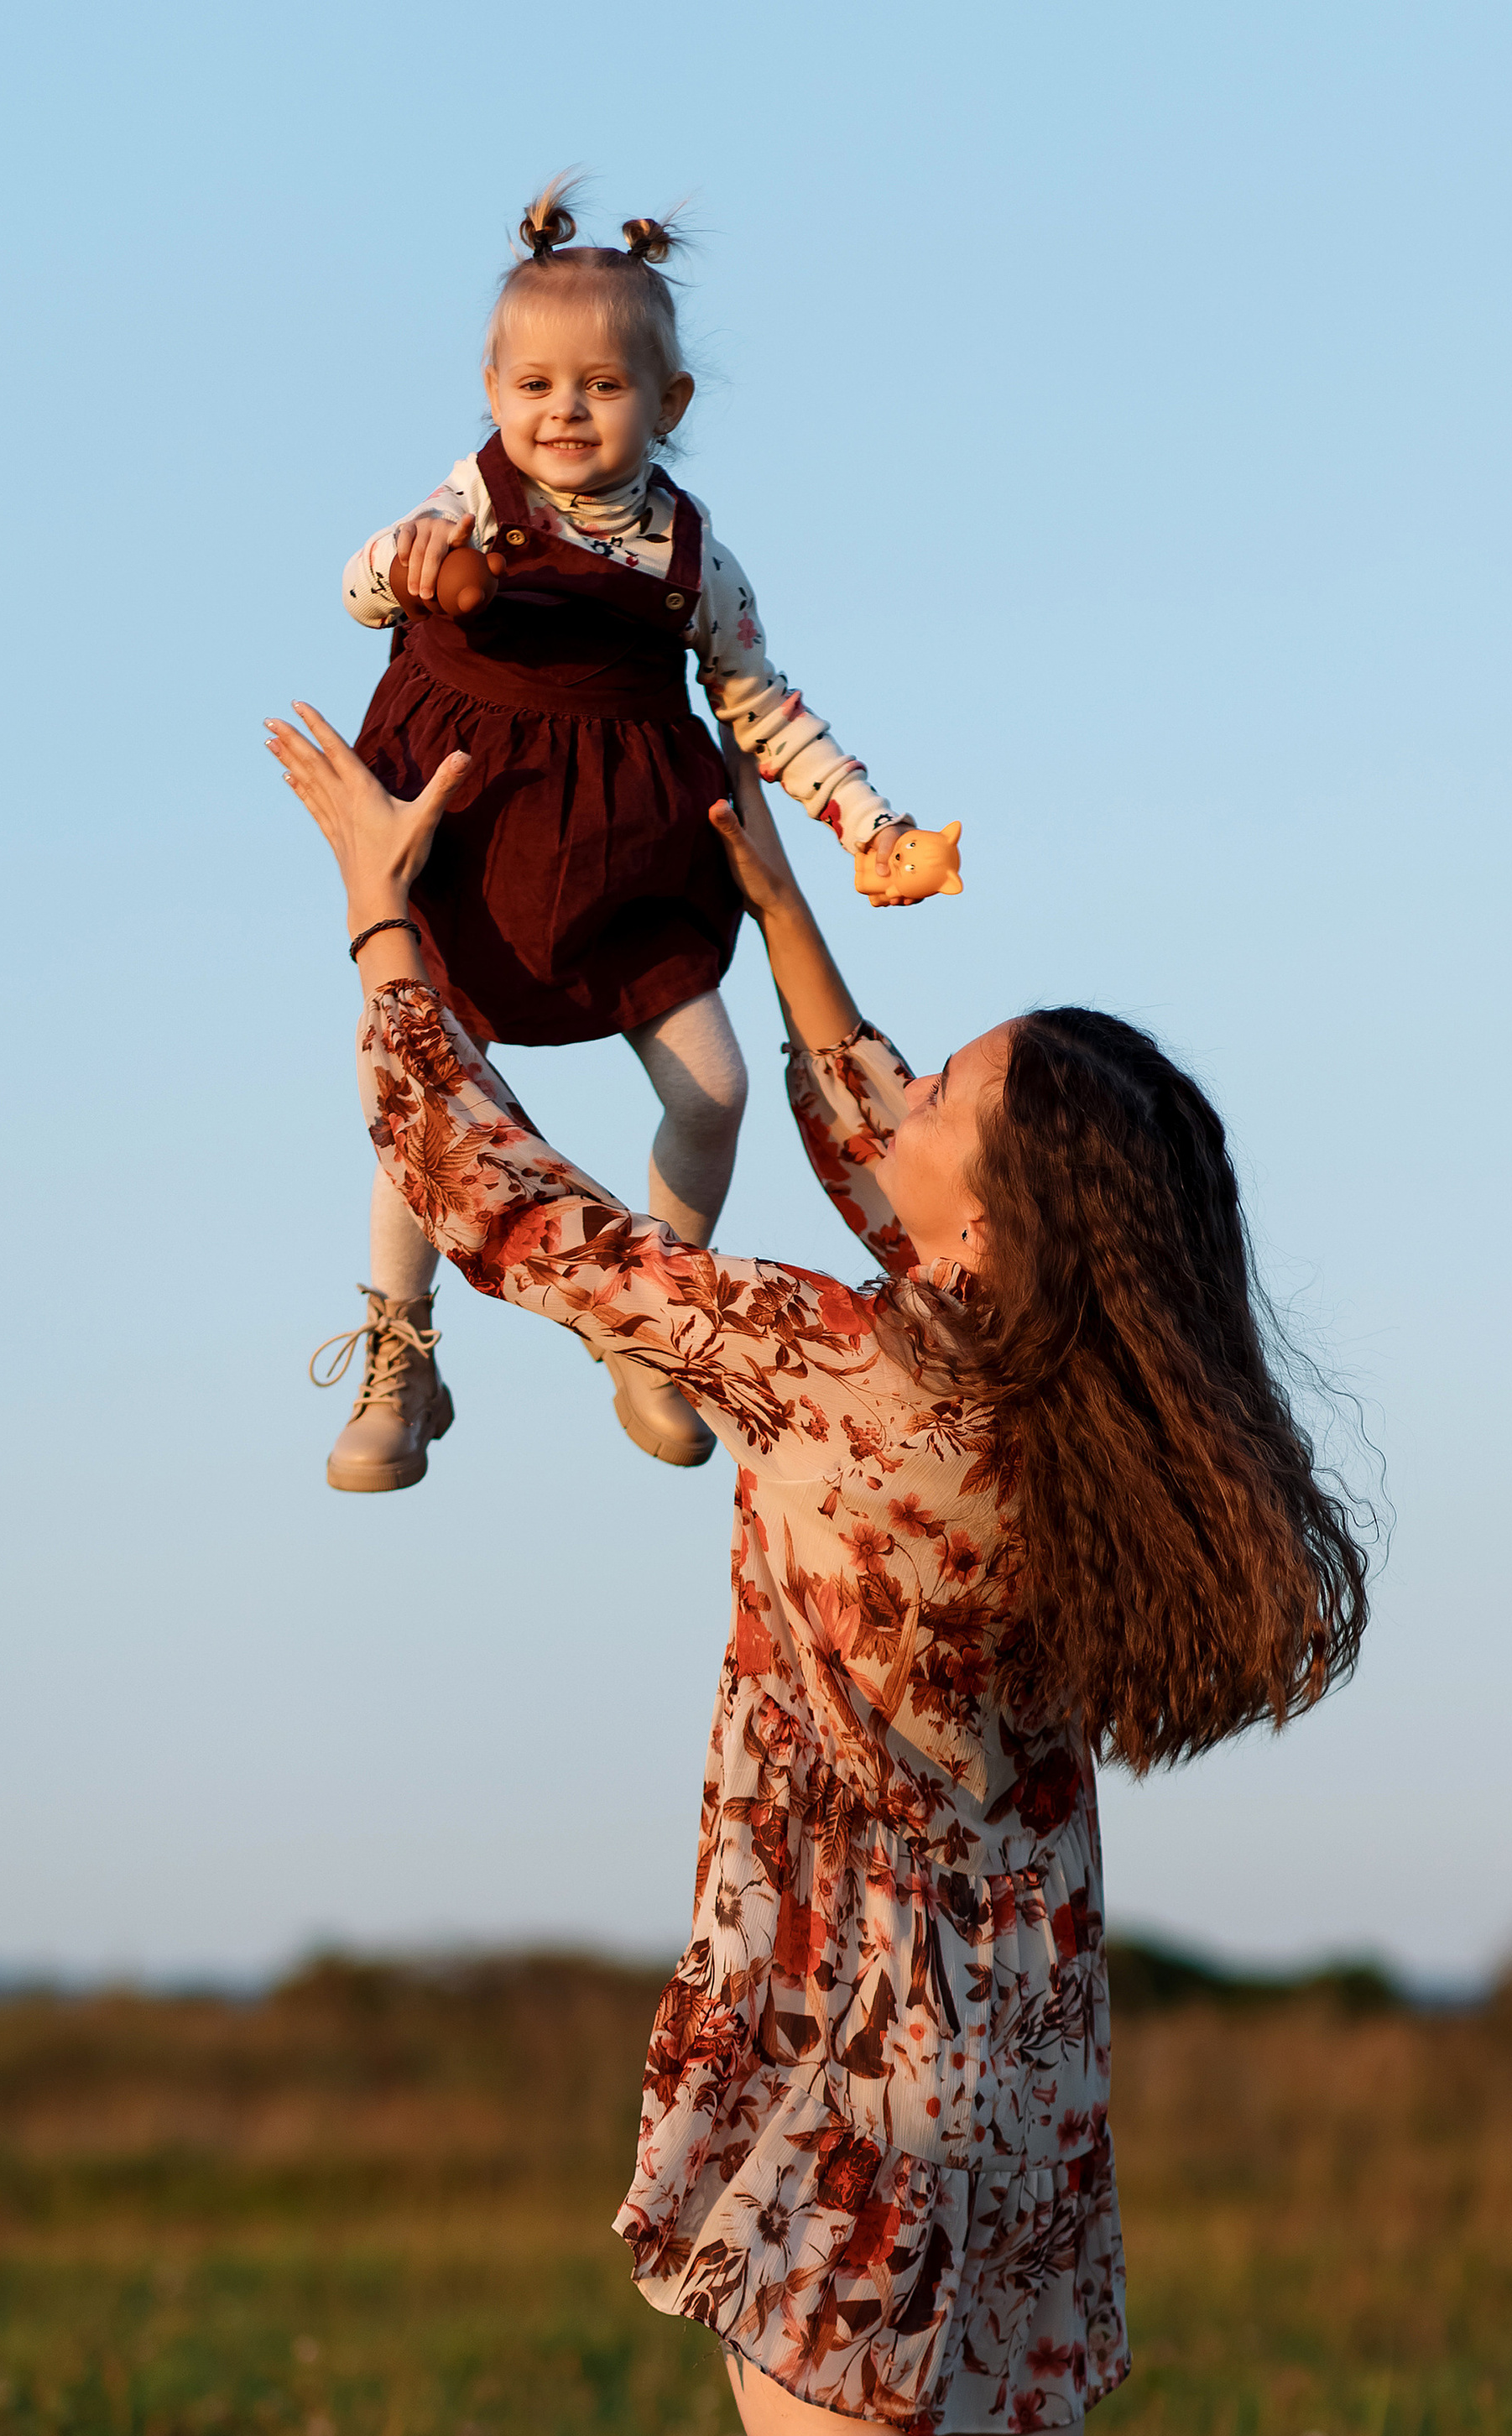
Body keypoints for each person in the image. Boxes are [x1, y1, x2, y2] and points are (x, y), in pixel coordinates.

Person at [266, 699, 1369, 2436]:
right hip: (1030, 2081)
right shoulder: (1078, 1418)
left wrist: (387, 912)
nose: (899, 1105)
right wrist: (770, 899)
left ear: (1010, 1200)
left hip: (846, 2060)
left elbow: (492, 1198)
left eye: (948, 1094)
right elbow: (885, 1148)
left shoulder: (830, 1359)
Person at [318, 178, 958, 1495]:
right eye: (536, 385)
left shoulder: (695, 556)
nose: (564, 412)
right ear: (492, 390)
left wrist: (868, 825)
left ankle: (649, 1327)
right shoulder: (470, 504)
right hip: (473, 825)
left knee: (713, 1089)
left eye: (603, 388)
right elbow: (354, 582)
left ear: (667, 406)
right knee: (434, 1099)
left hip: (628, 842)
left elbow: (758, 701)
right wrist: (417, 563)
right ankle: (403, 1346)